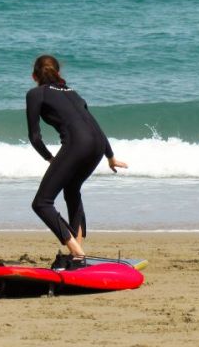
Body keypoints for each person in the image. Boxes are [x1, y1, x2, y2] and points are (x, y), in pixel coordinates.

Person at [26, 55, 127, 263]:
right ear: (58, 73)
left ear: (34, 76)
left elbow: (34, 137)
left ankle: (76, 250)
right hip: (98, 145)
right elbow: (95, 125)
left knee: (41, 203)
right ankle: (78, 247)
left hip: (77, 144)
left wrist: (49, 158)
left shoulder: (36, 94)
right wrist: (110, 156)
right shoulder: (74, 93)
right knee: (72, 190)